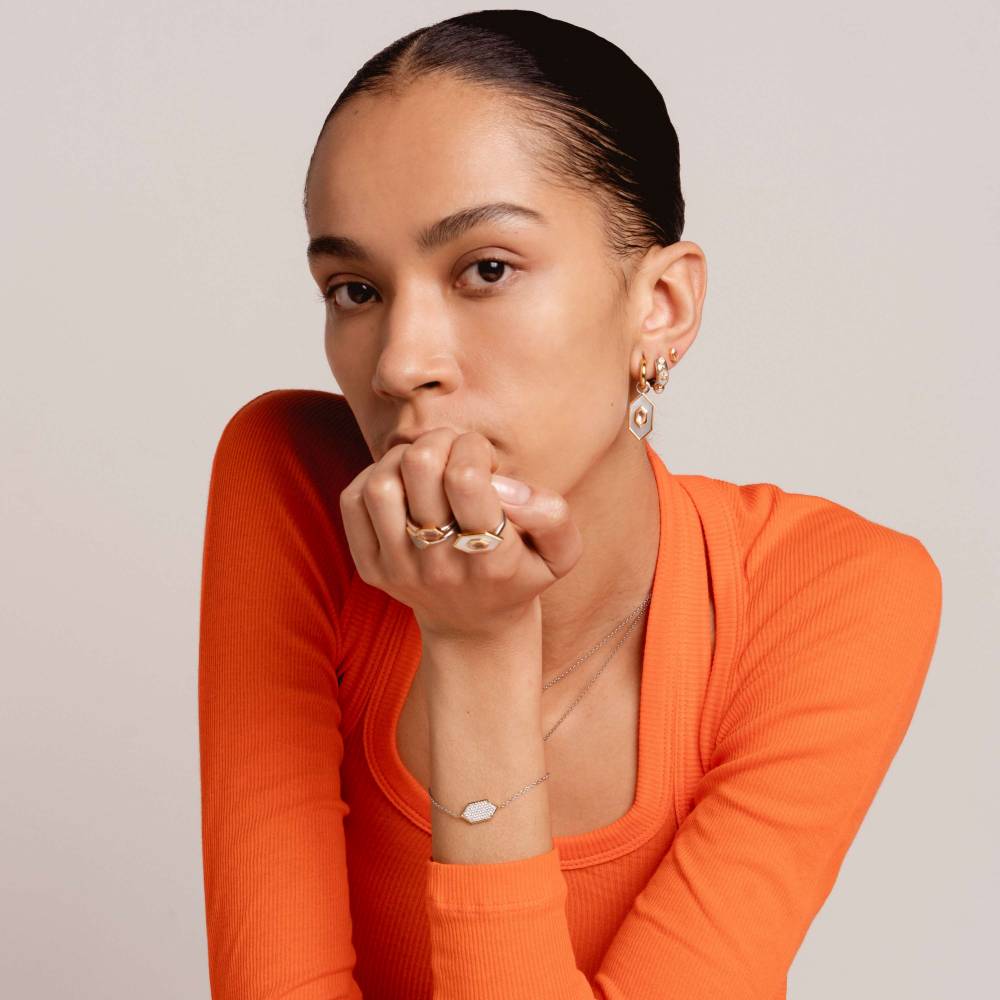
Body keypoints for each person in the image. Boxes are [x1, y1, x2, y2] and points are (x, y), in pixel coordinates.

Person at [197, 10, 943, 999]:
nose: (401, 364)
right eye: (355, 290)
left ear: (661, 307)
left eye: (486, 269)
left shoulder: (830, 593)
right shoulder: (292, 479)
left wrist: (478, 646)